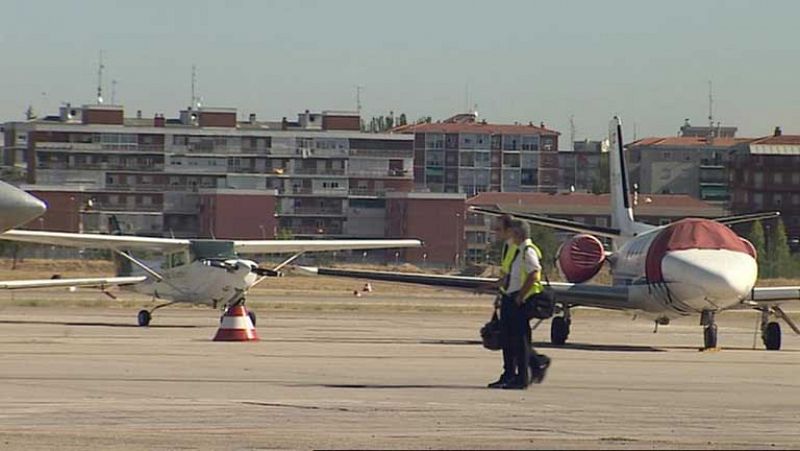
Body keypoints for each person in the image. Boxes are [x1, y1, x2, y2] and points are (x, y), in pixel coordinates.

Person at [492, 220, 549, 389]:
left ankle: (522, 377)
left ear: (517, 234)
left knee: (520, 341)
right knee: (513, 340)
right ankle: (521, 374)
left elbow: (533, 275)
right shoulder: (518, 250)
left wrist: (520, 297)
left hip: (521, 301)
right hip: (511, 296)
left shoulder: (527, 251)